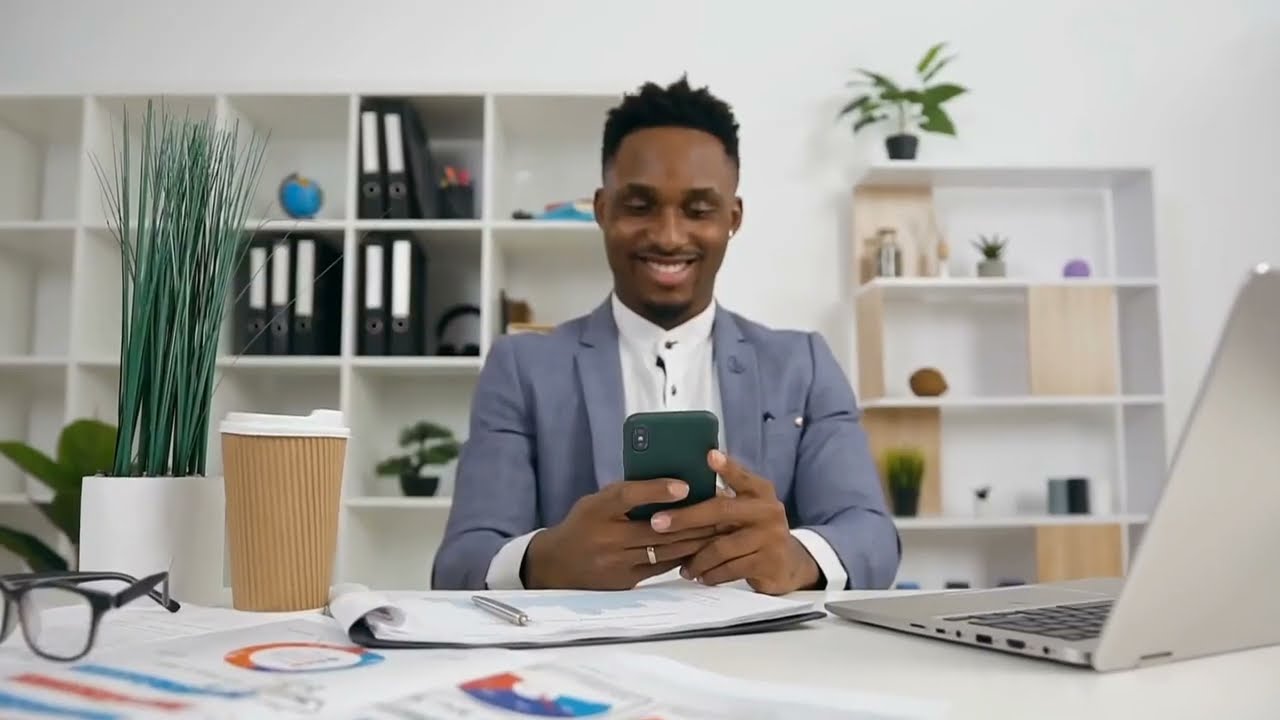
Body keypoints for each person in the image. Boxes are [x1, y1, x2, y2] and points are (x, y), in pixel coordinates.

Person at [431, 76, 900, 595]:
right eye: (639, 206)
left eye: (698, 210)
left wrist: (795, 556)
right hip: (589, 664)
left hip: (759, 656)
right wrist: (543, 560)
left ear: (732, 218)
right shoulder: (521, 366)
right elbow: (461, 561)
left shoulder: (803, 363)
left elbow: (872, 536)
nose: (669, 236)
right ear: (602, 210)